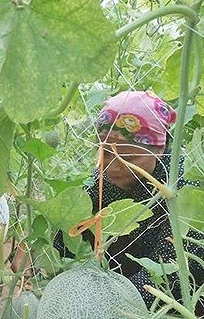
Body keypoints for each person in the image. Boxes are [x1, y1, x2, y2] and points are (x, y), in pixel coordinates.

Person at [55, 91, 203, 314]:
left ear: (160, 150)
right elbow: (70, 232)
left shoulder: (186, 191)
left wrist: (106, 304)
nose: (112, 166)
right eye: (106, 152)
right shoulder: (101, 181)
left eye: (129, 159)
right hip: (115, 284)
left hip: (173, 302)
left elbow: (170, 273)